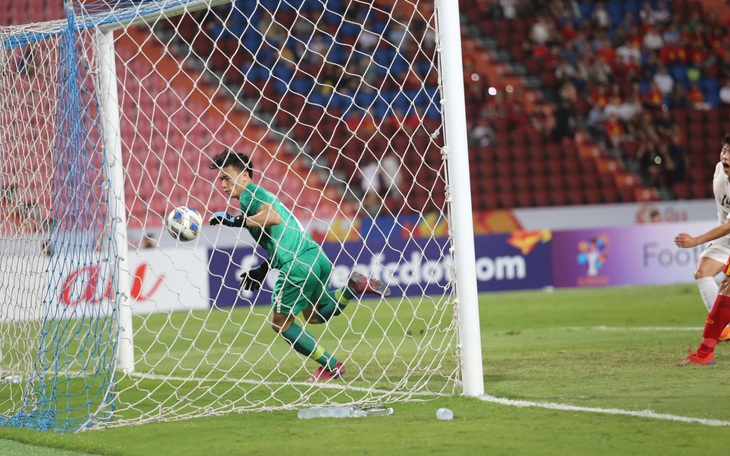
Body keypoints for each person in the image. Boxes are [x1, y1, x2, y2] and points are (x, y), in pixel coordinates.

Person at [208, 150, 390, 380]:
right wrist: (263, 268)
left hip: (297, 266)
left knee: (280, 324)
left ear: (244, 176)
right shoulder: (262, 196)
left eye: (227, 177)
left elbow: (273, 218)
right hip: (316, 257)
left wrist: (235, 221)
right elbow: (280, 236)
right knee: (314, 315)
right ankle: (352, 286)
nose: (223, 184)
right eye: (220, 179)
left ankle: (331, 365)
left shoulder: (249, 195)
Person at [674, 134, 730, 359]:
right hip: (726, 235)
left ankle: (705, 351)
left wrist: (696, 240)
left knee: (727, 285)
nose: (726, 156)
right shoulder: (719, 172)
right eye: (725, 150)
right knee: (703, 272)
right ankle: (720, 334)